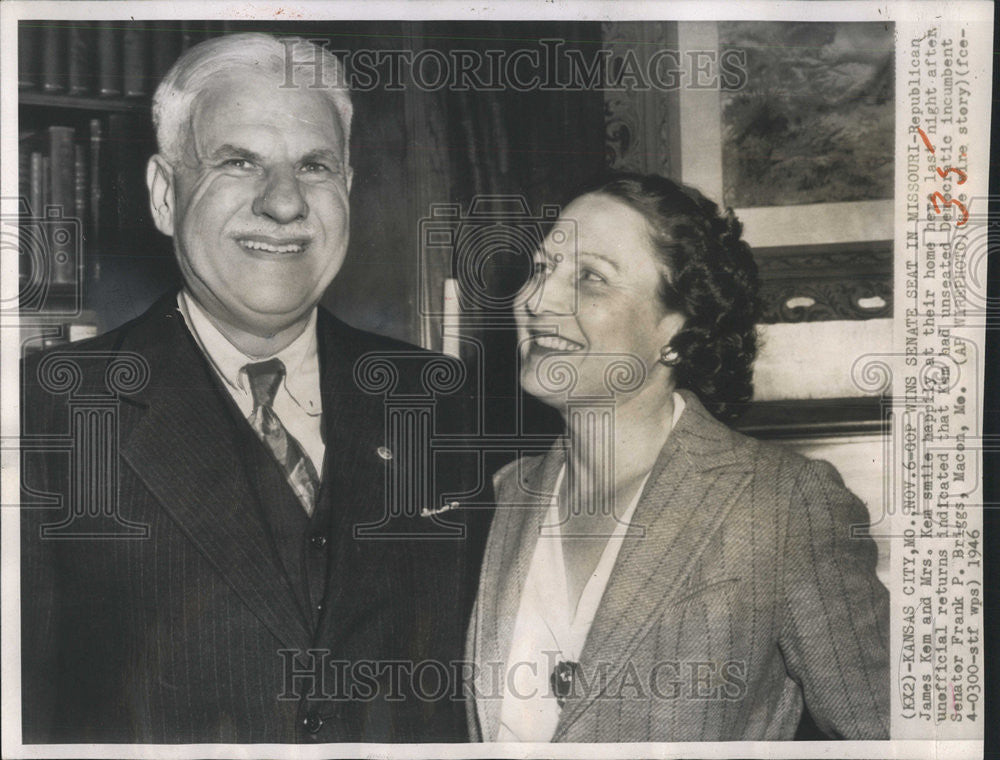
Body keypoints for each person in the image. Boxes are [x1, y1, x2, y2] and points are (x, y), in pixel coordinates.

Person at [20, 33, 487, 743]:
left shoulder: (447, 402)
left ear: (349, 191)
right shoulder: (42, 416)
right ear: (163, 194)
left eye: (314, 165)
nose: (283, 202)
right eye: (239, 162)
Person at [465, 173, 889, 742]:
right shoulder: (507, 493)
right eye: (542, 268)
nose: (536, 299)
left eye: (589, 278)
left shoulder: (780, 502)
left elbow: (900, 735)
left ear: (677, 329)